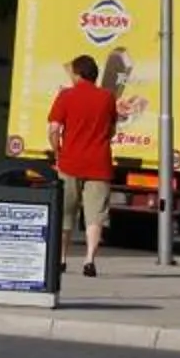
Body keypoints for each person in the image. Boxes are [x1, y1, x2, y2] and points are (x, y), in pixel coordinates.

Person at [46, 54, 118, 278]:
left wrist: (57, 152)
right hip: (99, 164)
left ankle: (61, 259)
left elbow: (54, 129)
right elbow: (112, 129)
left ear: (77, 74)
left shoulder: (66, 96)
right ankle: (89, 260)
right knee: (95, 215)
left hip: (69, 163)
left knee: (65, 213)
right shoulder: (107, 97)